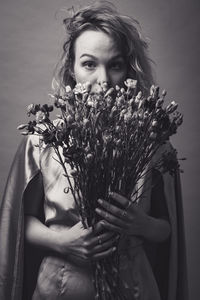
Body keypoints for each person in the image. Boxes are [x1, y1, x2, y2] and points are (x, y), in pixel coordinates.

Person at [0, 2, 188, 300]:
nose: (102, 81)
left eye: (115, 65)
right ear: (71, 70)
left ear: (129, 70)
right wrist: (61, 241)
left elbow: (168, 229)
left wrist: (143, 224)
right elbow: (17, 221)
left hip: (135, 290)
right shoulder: (43, 139)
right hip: (58, 290)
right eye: (89, 64)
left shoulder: (153, 142)